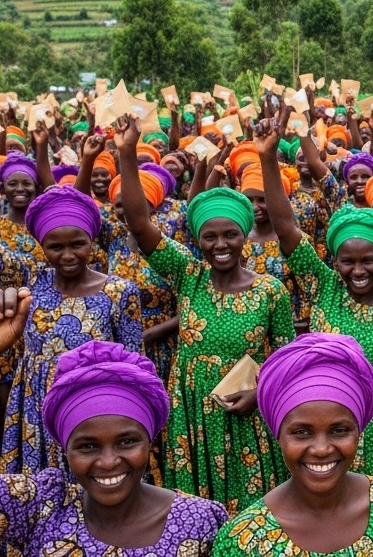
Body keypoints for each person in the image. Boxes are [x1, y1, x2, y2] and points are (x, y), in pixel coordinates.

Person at [0, 289, 228, 555]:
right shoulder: (39, 507)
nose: (108, 461)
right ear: (64, 448)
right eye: (87, 446)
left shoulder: (200, 521)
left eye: (127, 441)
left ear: (150, 440)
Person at [113, 116, 295, 513]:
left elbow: (285, 361)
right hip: (191, 417)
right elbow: (140, 223)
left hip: (246, 418)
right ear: (197, 240)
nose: (221, 244)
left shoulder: (270, 291)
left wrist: (258, 393)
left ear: (245, 234)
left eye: (230, 234)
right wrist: (127, 153)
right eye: (209, 237)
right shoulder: (189, 275)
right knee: (195, 510)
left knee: (249, 511)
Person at [0, 124, 143, 474]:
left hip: (97, 414)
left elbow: (136, 368)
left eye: (77, 244)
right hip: (36, 412)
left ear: (92, 242)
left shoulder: (120, 292)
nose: (68, 254)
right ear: (42, 246)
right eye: (56, 246)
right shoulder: (28, 279)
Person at [254, 120, 373, 491]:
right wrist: (267, 157)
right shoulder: (323, 287)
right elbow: (285, 226)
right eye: (347, 261)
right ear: (333, 261)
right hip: (322, 427)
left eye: (368, 260)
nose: (358, 270)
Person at [213, 333, 373, 555]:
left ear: (359, 431)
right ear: (278, 435)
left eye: (339, 431)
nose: (321, 449)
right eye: (301, 432)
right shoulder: (243, 540)